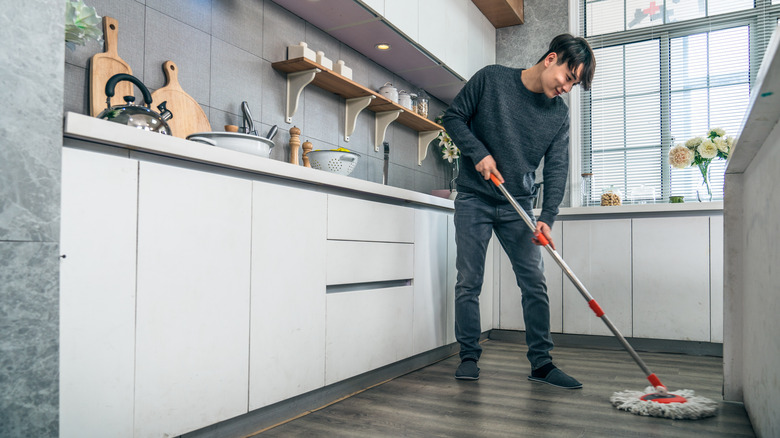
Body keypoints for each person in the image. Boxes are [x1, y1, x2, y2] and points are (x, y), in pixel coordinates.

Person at [441, 34, 595, 388]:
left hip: (519, 205)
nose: (567, 88)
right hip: (474, 198)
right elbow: (454, 118)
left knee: (534, 283)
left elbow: (556, 168)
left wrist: (547, 218)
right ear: (551, 59)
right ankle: (468, 356)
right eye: (569, 78)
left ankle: (541, 363)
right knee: (469, 281)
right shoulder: (492, 79)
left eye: (573, 84)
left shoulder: (558, 115)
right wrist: (478, 152)